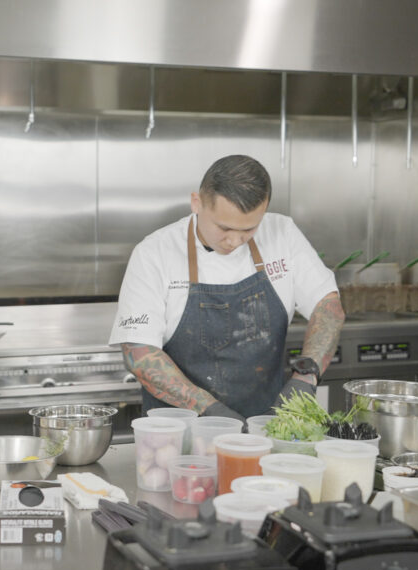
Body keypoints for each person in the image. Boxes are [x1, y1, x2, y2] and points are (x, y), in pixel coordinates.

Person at [109, 154, 344, 420]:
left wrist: (306, 376)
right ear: (196, 203)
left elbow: (328, 306)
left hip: (266, 423)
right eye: (224, 228)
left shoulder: (283, 233)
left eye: (249, 229)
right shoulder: (154, 253)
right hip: (182, 432)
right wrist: (208, 409)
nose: (234, 241)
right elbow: (139, 353)